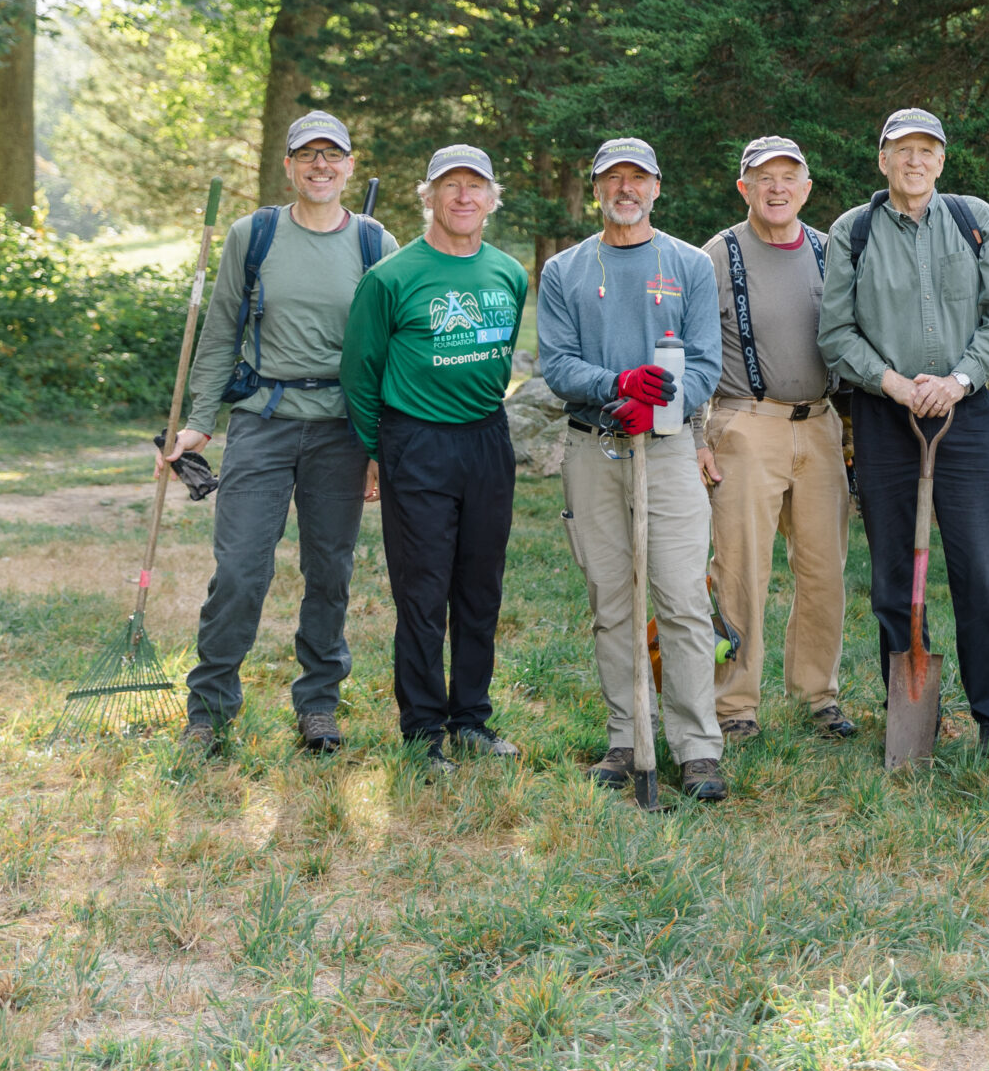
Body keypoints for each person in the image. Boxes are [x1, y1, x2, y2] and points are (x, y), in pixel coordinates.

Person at [169, 110, 392, 755]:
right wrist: (197, 423)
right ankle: (210, 709)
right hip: (262, 426)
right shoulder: (255, 233)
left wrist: (380, 445)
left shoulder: (377, 243)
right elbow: (219, 334)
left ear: (350, 166)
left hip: (342, 432)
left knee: (330, 571)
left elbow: (394, 350)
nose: (321, 166)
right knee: (239, 569)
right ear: (289, 166)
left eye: (333, 155)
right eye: (307, 155)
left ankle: (319, 703)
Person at [817, 109, 989, 754]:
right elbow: (835, 333)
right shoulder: (852, 231)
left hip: (965, 415)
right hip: (886, 416)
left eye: (926, 150)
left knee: (983, 569)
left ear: (941, 161)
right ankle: (913, 713)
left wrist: (957, 381)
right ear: (882, 160)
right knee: (892, 574)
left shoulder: (974, 219)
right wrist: (896, 383)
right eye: (901, 149)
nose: (914, 161)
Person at [534, 137, 729, 802]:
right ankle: (627, 738)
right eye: (612, 177)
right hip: (595, 447)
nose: (625, 187)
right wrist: (620, 385)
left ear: (656, 186)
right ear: (595, 189)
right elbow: (556, 365)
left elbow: (705, 362)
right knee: (612, 602)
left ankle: (698, 747)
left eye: (637, 177)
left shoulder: (688, 264)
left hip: (668, 453)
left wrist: (665, 406)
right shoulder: (563, 270)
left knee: (680, 598)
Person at [341, 145, 527, 771]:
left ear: (491, 199)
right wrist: (374, 449)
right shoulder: (390, 278)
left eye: (477, 186)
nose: (464, 197)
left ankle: (471, 718)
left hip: (486, 439)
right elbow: (360, 375)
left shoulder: (508, 272)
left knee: (480, 589)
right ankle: (423, 732)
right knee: (422, 595)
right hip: (415, 442)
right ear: (429, 197)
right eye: (451, 186)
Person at [695, 136, 858, 744]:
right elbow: (690, 350)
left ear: (806, 187)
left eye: (789, 176)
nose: (777, 187)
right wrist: (697, 436)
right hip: (745, 423)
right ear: (745, 189)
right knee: (740, 570)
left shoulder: (828, 251)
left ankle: (818, 693)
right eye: (764, 178)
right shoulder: (716, 256)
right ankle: (735, 704)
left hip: (819, 425)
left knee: (825, 568)